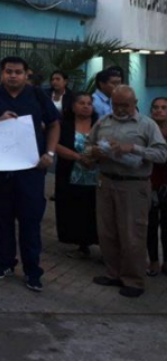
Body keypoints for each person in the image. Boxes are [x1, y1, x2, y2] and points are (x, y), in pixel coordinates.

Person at [0, 57, 60, 293]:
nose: (13, 76)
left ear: (27, 74)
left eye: (17, 72)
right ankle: (4, 264)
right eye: (8, 72)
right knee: (2, 220)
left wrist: (50, 152)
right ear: (1, 74)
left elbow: (54, 123)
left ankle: (32, 271)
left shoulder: (37, 95)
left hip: (31, 171)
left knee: (30, 223)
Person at [86, 86, 167, 297]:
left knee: (132, 235)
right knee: (107, 232)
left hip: (134, 185)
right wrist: (93, 152)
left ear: (135, 102)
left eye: (125, 105)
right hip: (106, 182)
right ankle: (113, 274)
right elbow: (88, 146)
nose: (120, 109)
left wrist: (132, 149)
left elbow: (161, 154)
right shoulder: (104, 122)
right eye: (116, 105)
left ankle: (133, 280)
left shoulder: (146, 124)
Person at [54, 92, 99, 259]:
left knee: (93, 209)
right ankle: (79, 244)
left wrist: (95, 157)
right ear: (73, 106)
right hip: (70, 173)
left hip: (95, 175)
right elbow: (54, 144)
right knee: (73, 210)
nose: (86, 106)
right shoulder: (63, 124)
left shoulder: (99, 124)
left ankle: (97, 243)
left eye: (89, 103)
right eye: (81, 103)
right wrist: (78, 157)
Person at [147, 97, 167, 277]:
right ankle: (153, 261)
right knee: (150, 225)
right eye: (155, 107)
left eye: (163, 107)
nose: (159, 111)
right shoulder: (146, 130)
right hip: (149, 185)